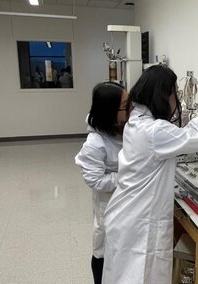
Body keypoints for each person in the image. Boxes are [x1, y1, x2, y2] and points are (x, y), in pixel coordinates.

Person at [102, 65, 198, 284]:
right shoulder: (154, 131)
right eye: (174, 92)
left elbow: (182, 135)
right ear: (163, 95)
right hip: (139, 223)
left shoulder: (138, 121)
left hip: (126, 214)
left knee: (125, 276)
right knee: (138, 276)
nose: (177, 100)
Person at [75, 82, 129, 284]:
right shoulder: (94, 144)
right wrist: (128, 178)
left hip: (126, 202)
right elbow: (96, 180)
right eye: (125, 106)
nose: (130, 110)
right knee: (103, 251)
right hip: (108, 206)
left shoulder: (120, 128)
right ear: (110, 111)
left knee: (122, 252)